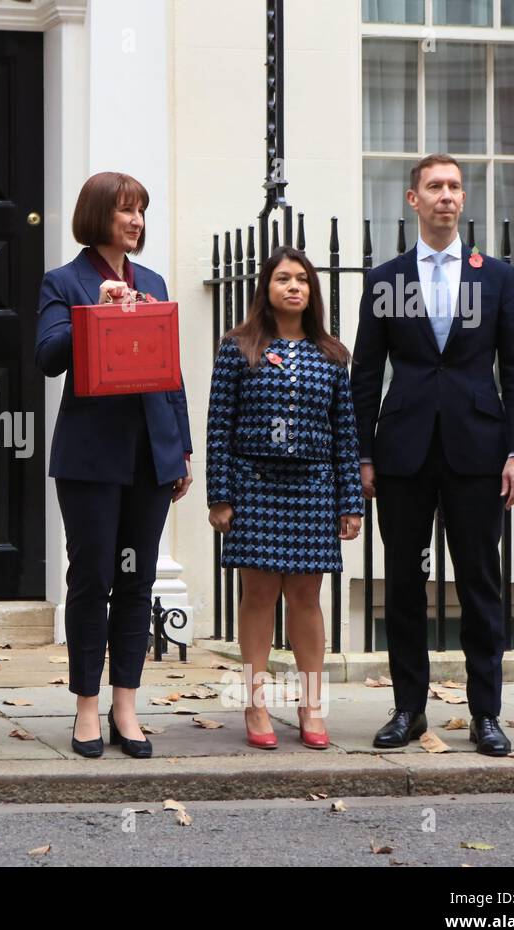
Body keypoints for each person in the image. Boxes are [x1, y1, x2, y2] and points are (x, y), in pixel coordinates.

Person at [352, 153, 514, 756]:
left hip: (480, 452)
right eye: (434, 186)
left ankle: (486, 713)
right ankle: (409, 710)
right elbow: (364, 374)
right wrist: (361, 456)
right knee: (404, 583)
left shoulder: (496, 277)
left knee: (480, 584)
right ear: (413, 200)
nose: (446, 196)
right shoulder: (386, 280)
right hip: (403, 452)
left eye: (455, 186)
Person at [35, 171, 193, 759]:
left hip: (150, 455)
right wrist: (92, 316)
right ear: (98, 214)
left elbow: (170, 371)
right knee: (92, 578)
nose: (135, 221)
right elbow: (47, 358)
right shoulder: (65, 282)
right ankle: (85, 708)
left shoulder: (150, 281)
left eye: (142, 211)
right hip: (91, 457)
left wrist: (180, 449)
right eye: (125, 210)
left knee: (138, 580)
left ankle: (126, 705)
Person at [206, 246, 363, 750]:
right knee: (257, 596)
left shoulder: (333, 354)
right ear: (266, 289)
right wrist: (220, 496)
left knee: (305, 597)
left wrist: (350, 502)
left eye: (302, 280)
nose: (294, 287)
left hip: (314, 489)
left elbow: (345, 434)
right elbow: (218, 428)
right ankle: (254, 702)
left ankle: (311, 702)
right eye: (283, 279)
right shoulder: (238, 348)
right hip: (253, 485)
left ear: (312, 291)